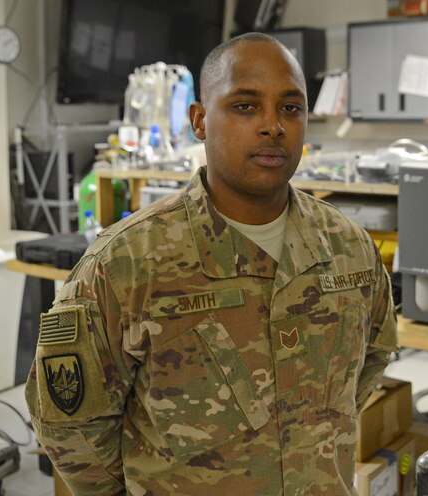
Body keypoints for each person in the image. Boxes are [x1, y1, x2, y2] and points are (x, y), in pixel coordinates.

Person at [25, 32, 398, 495]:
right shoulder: (127, 263)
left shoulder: (349, 247)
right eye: (245, 106)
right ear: (200, 120)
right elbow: (70, 426)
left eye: (291, 108)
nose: (272, 126)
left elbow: (368, 366)